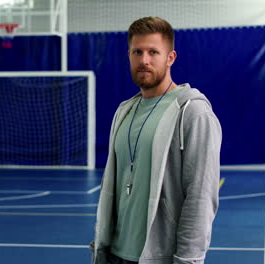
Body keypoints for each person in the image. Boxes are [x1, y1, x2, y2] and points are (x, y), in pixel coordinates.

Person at [91, 17, 222, 264]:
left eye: (153, 52)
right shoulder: (124, 111)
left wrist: (188, 259)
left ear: (170, 58)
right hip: (115, 255)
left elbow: (201, 196)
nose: (144, 60)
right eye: (137, 52)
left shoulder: (192, 112)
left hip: (159, 257)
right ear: (128, 55)